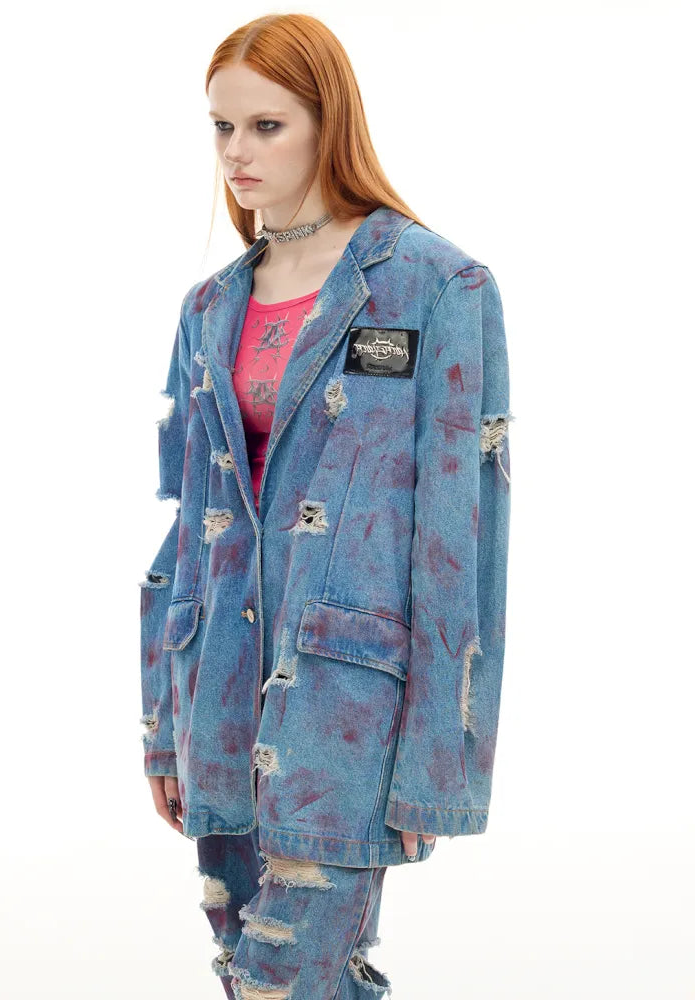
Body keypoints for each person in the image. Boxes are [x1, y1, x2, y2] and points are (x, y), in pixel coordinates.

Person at [139, 13, 512, 1000]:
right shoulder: (208, 307)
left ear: (327, 121)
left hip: (350, 706)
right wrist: (160, 722)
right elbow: (183, 522)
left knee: (292, 978)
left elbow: (460, 534)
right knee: (247, 973)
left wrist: (441, 761)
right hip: (215, 694)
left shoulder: (434, 285)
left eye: (266, 126)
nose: (236, 152)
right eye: (222, 127)